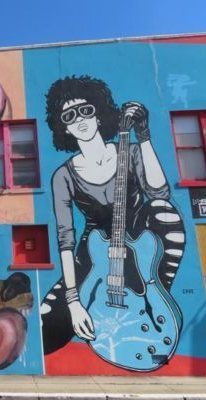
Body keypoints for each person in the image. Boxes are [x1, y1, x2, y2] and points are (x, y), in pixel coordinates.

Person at [40, 76, 186, 355]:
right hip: (94, 254)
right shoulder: (63, 175)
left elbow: (159, 192)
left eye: (86, 110)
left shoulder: (128, 151)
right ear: (65, 128)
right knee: (46, 329)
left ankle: (154, 295)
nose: (80, 119)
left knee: (164, 213)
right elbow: (65, 238)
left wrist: (143, 138)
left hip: (143, 240)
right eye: (69, 116)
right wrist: (73, 302)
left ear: (99, 112)